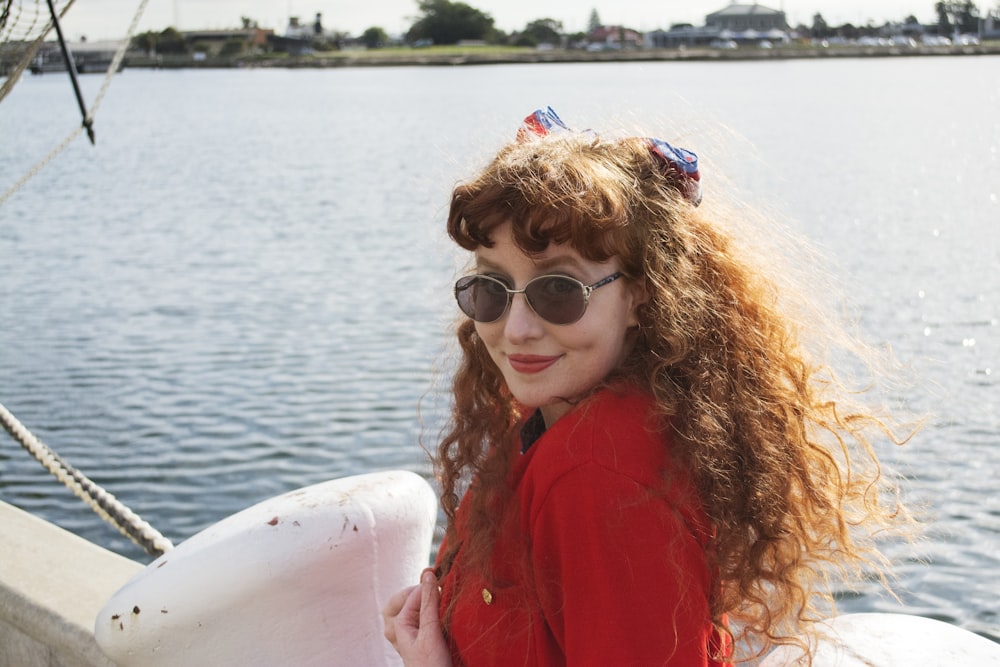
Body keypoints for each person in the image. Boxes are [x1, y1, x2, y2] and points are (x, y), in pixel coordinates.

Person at [382, 108, 912, 666]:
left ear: (641, 294)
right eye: (490, 287)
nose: (515, 330)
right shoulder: (581, 414)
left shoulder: (594, 473)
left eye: (559, 290)